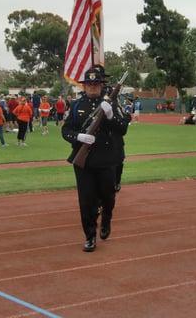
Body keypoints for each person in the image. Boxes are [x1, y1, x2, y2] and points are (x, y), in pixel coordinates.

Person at [62, 65, 129, 252]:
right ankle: (90, 236)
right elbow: (65, 130)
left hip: (106, 160)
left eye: (96, 83)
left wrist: (110, 115)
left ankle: (106, 217)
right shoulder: (76, 106)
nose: (92, 87)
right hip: (84, 162)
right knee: (86, 201)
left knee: (108, 197)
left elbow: (123, 128)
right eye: (89, 84)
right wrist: (79, 137)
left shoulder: (112, 104)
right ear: (84, 86)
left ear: (101, 85)